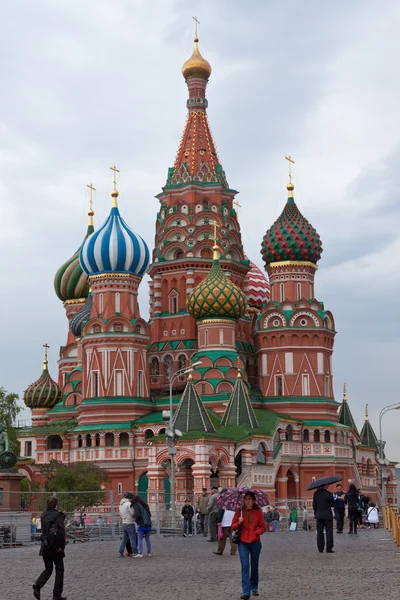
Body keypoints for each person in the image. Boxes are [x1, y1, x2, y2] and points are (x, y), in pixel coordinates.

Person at [232, 491, 266, 599]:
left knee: (254, 566)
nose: (247, 501)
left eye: (249, 499)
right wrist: (239, 522)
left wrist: (256, 533)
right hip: (243, 542)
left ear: (254, 500)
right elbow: (233, 526)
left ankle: (254, 586)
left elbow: (263, 527)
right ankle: (246, 591)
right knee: (245, 566)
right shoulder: (239, 511)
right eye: (246, 499)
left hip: (255, 542)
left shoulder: (258, 512)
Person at [33, 496, 66, 600]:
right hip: (56, 546)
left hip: (45, 546)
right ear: (56, 504)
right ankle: (56, 595)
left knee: (48, 567)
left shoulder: (43, 515)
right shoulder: (58, 515)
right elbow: (60, 532)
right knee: (59, 569)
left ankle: (38, 584)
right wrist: (61, 546)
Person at [312, 484, 335, 553]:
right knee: (329, 532)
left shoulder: (316, 494)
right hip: (327, 516)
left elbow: (314, 505)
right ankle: (329, 548)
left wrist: (316, 513)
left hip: (319, 516)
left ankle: (320, 548)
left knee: (319, 532)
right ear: (325, 486)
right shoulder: (329, 494)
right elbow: (333, 504)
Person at [214, 491, 237, 556]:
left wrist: (219, 521)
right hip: (233, 521)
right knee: (232, 537)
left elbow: (221, 512)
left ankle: (220, 550)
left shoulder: (223, 502)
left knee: (222, 537)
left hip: (225, 521)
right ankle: (233, 551)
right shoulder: (234, 501)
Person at [118, 492, 138, 557]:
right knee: (133, 538)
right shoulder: (129, 504)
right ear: (130, 498)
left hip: (124, 522)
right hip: (130, 522)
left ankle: (121, 551)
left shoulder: (121, 504)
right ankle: (135, 551)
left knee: (124, 538)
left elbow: (121, 514)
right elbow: (132, 513)